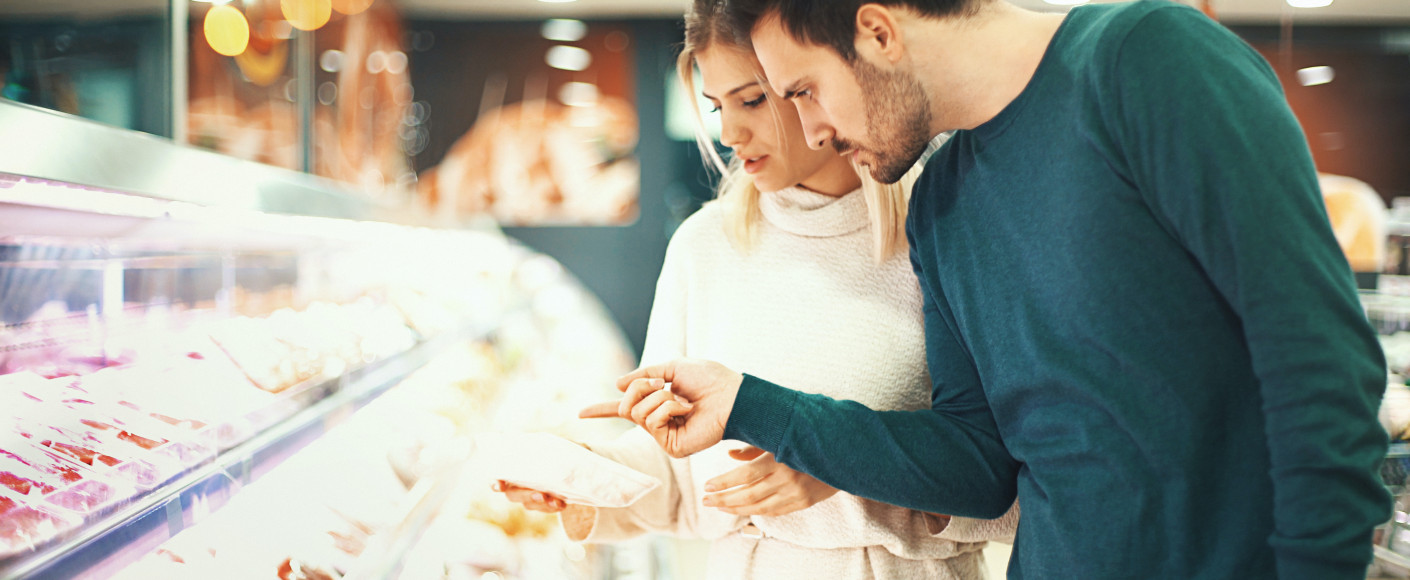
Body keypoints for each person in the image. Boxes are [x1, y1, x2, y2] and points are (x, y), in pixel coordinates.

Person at [599, 0, 1392, 578]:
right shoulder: (942, 199)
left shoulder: (1145, 61)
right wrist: (748, 401)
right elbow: (977, 462)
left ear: (877, 32)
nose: (811, 131)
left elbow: (1321, 372)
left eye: (802, 89)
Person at [494, 1, 1018, 577]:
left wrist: (845, 466)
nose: (728, 132)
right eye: (716, 106)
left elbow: (1010, 486)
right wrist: (584, 477)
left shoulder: (944, 229)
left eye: (751, 99)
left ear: (817, 82)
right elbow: (685, 489)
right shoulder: (703, 246)